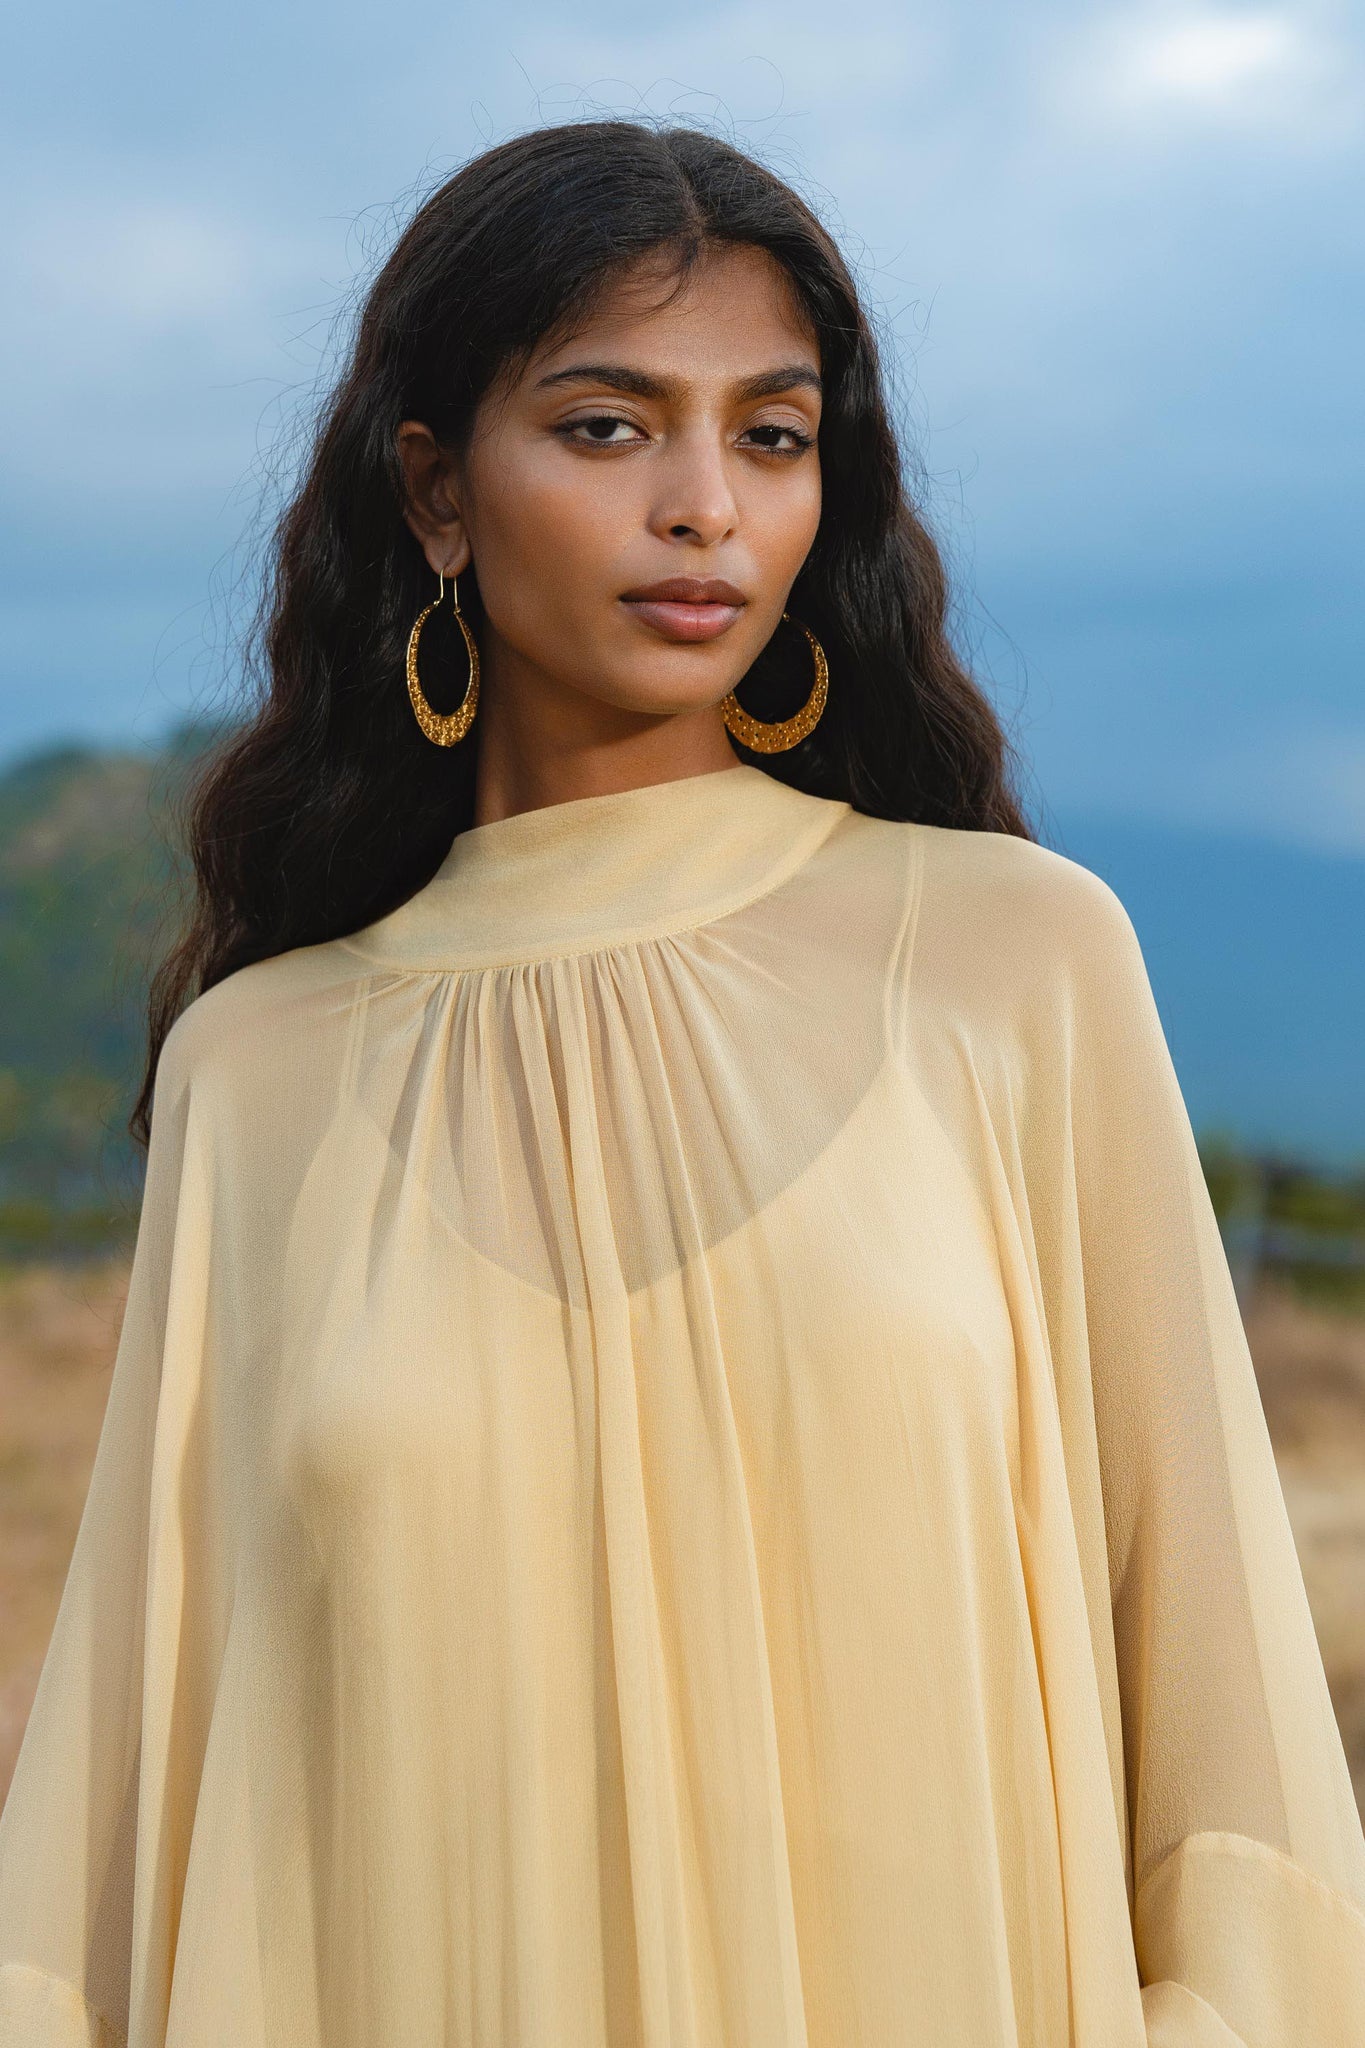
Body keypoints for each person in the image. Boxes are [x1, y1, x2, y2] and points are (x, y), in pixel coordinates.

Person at [0, 119, 1362, 2048]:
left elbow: (1231, 1742)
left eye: (772, 436)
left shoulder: (1008, 961)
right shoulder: (261, 1072)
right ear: (436, 493)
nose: (705, 504)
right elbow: (111, 1838)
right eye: (607, 426)